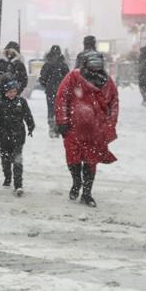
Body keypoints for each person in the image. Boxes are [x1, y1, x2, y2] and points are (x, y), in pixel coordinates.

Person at [55, 51, 119, 207]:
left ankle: (87, 193)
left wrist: (109, 126)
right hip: (73, 128)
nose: (95, 67)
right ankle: (76, 183)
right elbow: (62, 97)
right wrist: (62, 121)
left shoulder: (107, 82)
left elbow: (113, 105)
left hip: (95, 131)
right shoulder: (73, 77)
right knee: (74, 158)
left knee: (91, 161)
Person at [0, 77, 35, 196]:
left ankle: (18, 184)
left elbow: (27, 115)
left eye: (14, 91)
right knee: (5, 160)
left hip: (18, 136)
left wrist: (31, 125)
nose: (12, 94)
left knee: (17, 160)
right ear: (4, 91)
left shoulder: (21, 102)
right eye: (10, 91)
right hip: (1, 137)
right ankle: (7, 176)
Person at [38, 45, 69, 137]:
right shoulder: (63, 65)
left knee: (51, 109)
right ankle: (59, 127)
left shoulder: (47, 64)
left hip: (50, 91)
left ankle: (52, 127)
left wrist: (47, 86)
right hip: (61, 91)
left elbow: (42, 78)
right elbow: (68, 78)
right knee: (60, 109)